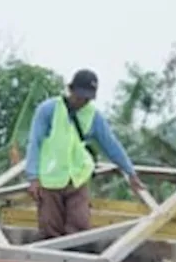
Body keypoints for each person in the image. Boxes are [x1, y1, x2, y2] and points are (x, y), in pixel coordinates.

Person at [24, 69, 144, 239]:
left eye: (87, 98)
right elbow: (34, 143)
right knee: (50, 228)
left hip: (78, 178)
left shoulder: (93, 116)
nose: (82, 102)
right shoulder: (48, 110)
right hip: (50, 179)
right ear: (70, 90)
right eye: (79, 96)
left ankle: (75, 261)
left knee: (79, 227)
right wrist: (33, 178)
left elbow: (111, 145)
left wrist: (130, 172)